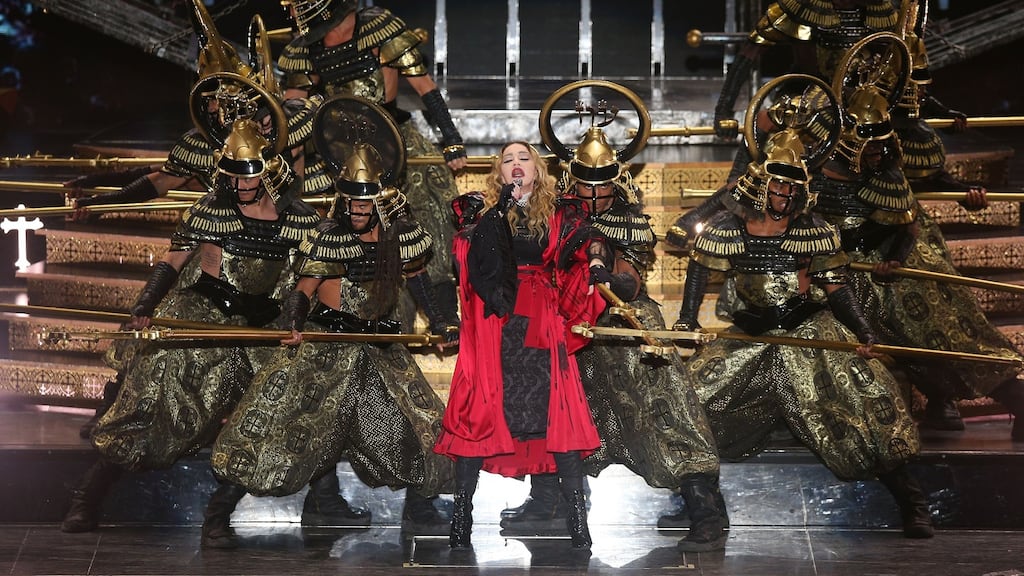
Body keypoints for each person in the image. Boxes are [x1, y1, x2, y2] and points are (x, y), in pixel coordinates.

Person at [675, 74, 934, 539]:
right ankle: (699, 504)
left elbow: (837, 289)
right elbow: (698, 271)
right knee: (690, 402)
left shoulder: (814, 230)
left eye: (793, 189)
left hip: (808, 334)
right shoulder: (727, 227)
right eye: (778, 187)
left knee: (862, 404)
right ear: (761, 184)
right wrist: (686, 319)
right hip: (749, 336)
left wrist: (864, 332)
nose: (785, 196)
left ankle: (911, 501)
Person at [60, 117, 323, 548]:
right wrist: (145, 307)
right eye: (233, 176)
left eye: (248, 176)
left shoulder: (300, 220)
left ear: (267, 173)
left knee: (271, 405)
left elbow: (306, 280)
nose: (240, 186)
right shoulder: (209, 210)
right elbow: (172, 262)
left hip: (259, 324)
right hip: (201, 312)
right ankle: (88, 496)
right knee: (148, 392)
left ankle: (218, 515)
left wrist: (294, 322)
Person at [209, 95, 459, 535]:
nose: (359, 212)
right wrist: (292, 325)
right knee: (275, 429)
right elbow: (302, 291)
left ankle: (420, 509)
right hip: (326, 347)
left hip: (379, 347)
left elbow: (419, 279)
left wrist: (440, 323)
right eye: (353, 204)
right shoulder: (327, 236)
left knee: (421, 425)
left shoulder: (401, 237)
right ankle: (220, 508)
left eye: (367, 205)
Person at [501, 88, 725, 552]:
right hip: (563, 321)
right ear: (572, 181)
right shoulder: (552, 215)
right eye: (586, 184)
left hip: (623, 324)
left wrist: (607, 278)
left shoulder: (629, 220)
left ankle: (703, 502)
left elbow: (632, 282)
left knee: (664, 403)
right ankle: (551, 497)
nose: (594, 193)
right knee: (550, 406)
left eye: (602, 184)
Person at [811, 46, 1024, 441]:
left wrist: (891, 262)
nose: (876, 152)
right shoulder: (813, 160)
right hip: (837, 264)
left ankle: (1015, 397)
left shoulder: (887, 170)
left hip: (893, 258)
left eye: (880, 144)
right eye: (868, 144)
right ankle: (941, 400)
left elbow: (904, 228)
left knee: (940, 325)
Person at [434, 141, 608, 551]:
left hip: (541, 321)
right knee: (480, 411)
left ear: (537, 169)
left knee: (555, 415)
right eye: (508, 159)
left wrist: (598, 263)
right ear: (499, 171)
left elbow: (591, 240)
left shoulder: (560, 211)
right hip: (496, 320)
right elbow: (466, 253)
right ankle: (461, 521)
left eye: (523, 158)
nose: (516, 164)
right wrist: (496, 212)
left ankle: (579, 528)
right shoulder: (480, 209)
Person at [278, 0, 466, 327]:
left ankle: (443, 308)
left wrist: (451, 138)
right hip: (339, 146)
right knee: (296, 203)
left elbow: (425, 87)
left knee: (432, 198)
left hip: (394, 137)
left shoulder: (379, 28)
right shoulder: (305, 47)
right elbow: (293, 107)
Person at [712, 0, 899, 140]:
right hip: (805, 96)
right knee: (768, 121)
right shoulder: (799, 9)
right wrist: (723, 111)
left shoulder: (880, 12)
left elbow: (896, 59)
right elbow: (747, 56)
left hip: (865, 101)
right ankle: (740, 183)